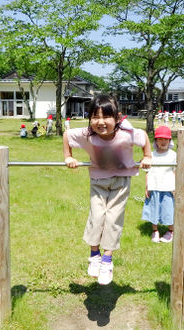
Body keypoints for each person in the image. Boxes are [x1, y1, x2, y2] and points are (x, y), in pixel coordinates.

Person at [63, 94, 152, 285]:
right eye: (95, 117)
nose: (100, 122)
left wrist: (147, 156)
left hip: (121, 181)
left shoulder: (126, 133)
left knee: (112, 219)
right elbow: (67, 135)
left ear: (117, 118)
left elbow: (143, 136)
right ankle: (94, 254)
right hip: (98, 181)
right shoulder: (88, 134)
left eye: (106, 117)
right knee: (97, 217)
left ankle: (107, 260)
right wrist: (68, 156)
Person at [141, 126, 176, 243]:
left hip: (168, 187)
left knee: (168, 210)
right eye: (160, 139)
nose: (163, 142)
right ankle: (155, 231)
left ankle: (171, 231)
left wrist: (176, 187)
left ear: (170, 141)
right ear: (155, 141)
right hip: (154, 186)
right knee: (153, 210)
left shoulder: (173, 155)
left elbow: (175, 172)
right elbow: (147, 172)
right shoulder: (151, 155)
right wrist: (147, 187)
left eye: (166, 139)